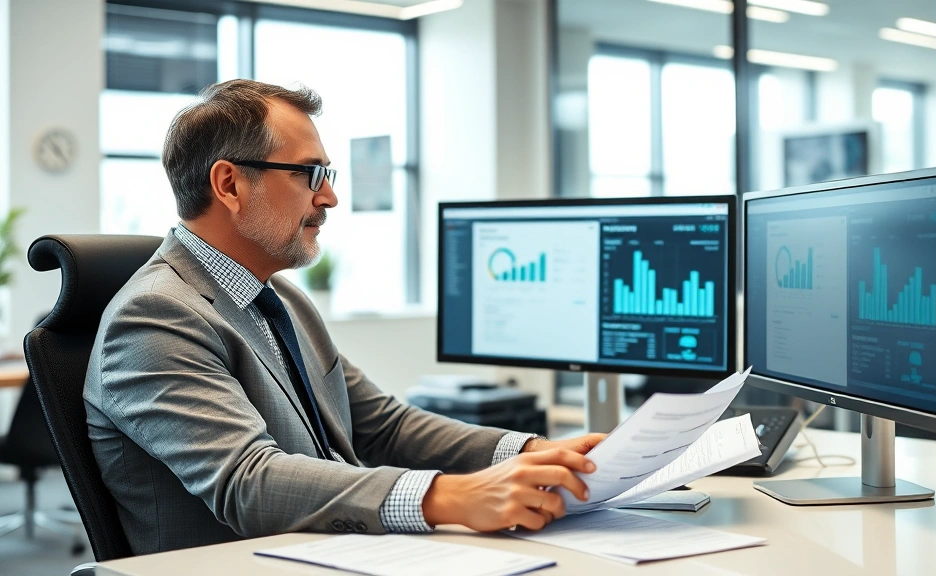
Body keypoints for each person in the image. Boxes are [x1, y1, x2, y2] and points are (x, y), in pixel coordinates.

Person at [84, 79, 604, 555]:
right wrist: (449, 495)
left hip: (331, 552)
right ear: (229, 185)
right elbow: (248, 482)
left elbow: (384, 426)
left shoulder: (281, 299)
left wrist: (537, 452)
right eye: (310, 174)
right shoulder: (154, 317)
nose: (329, 196)